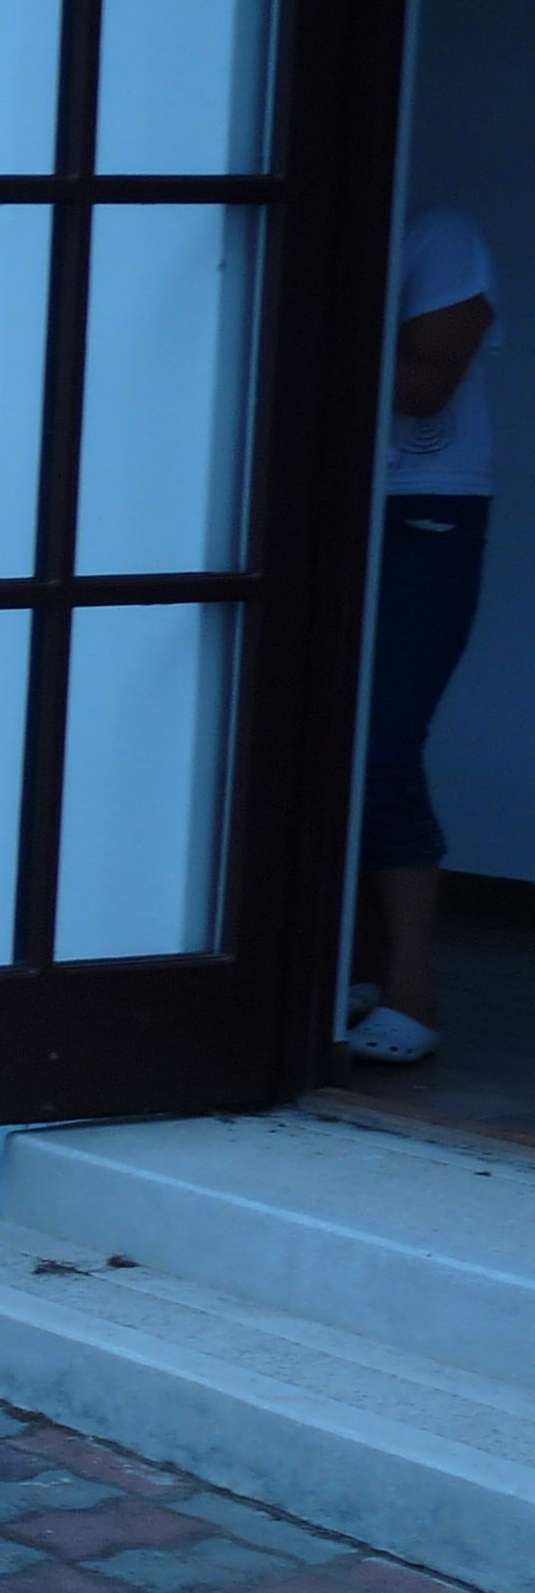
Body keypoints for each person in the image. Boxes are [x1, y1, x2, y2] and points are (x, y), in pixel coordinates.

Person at [352, 201, 499, 1066]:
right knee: (312, 745)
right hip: (316, 488)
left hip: (424, 510)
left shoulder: (436, 231)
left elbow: (425, 384)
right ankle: (356, 966)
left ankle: (412, 990)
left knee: (382, 747)